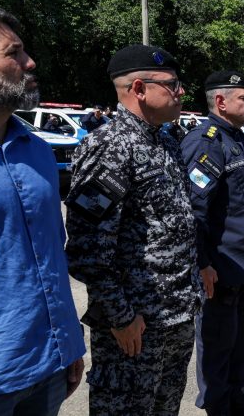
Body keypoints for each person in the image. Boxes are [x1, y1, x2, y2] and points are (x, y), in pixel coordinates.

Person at [65, 44, 200, 415]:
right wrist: (120, 317)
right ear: (139, 89)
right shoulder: (109, 147)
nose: (181, 92)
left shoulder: (166, 141)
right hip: (134, 328)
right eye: (173, 84)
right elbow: (86, 249)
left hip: (175, 315)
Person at [0, 1, 85, 416]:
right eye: (13, 53)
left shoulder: (39, 151)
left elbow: (49, 252)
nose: (30, 63)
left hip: (47, 365)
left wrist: (68, 341)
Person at [181, 70, 244, 416]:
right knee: (218, 344)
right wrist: (202, 263)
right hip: (220, 270)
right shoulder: (205, 143)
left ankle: (236, 394)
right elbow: (194, 212)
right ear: (220, 102)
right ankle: (218, 405)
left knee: (242, 340)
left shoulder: (242, 141)